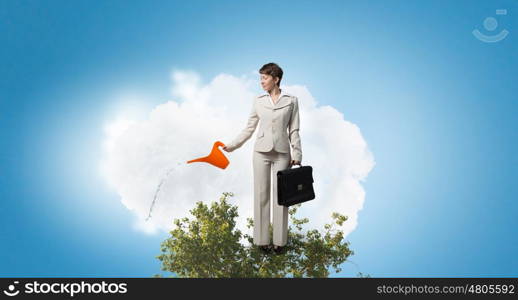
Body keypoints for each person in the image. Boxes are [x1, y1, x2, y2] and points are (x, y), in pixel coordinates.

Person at [223, 62, 302, 254]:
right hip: (260, 153)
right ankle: (262, 240)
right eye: (260, 78)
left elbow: (294, 129)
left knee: (281, 197)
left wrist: (297, 153)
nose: (261, 82)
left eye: (264, 78)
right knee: (261, 195)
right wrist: (232, 145)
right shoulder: (258, 100)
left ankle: (280, 242)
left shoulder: (292, 100)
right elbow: (249, 127)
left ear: (276, 79)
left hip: (283, 153)